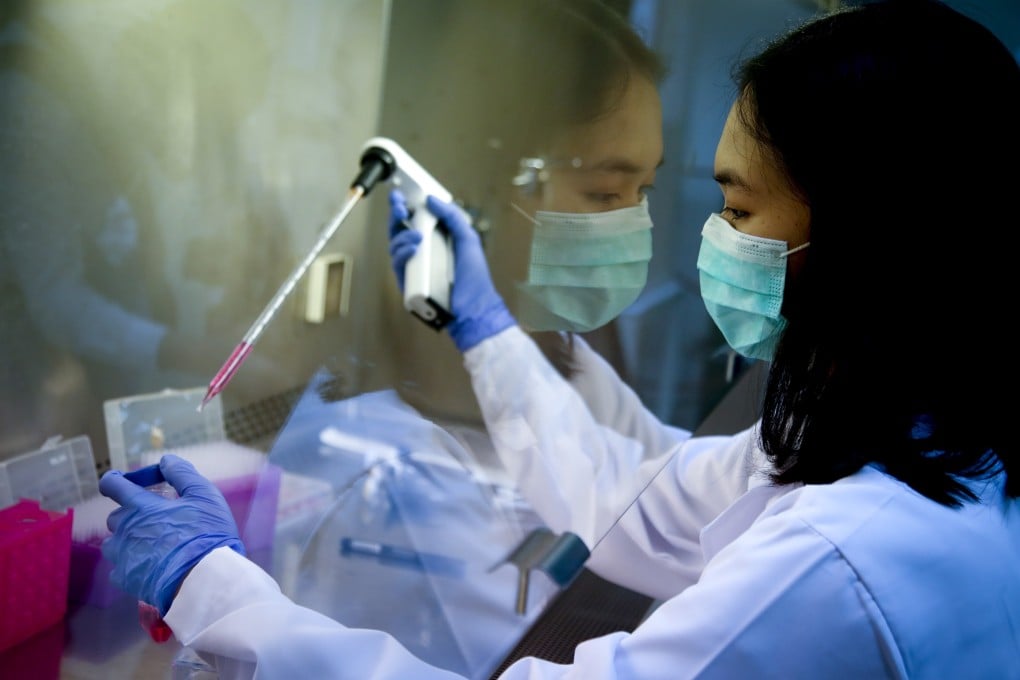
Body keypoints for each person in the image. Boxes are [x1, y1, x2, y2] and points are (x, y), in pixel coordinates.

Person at [98, 0, 1020, 677]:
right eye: (605, 187)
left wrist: (210, 587)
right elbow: (640, 497)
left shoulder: (841, 562)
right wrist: (487, 330)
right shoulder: (926, 438)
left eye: (736, 206)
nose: (702, 236)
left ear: (872, 238)